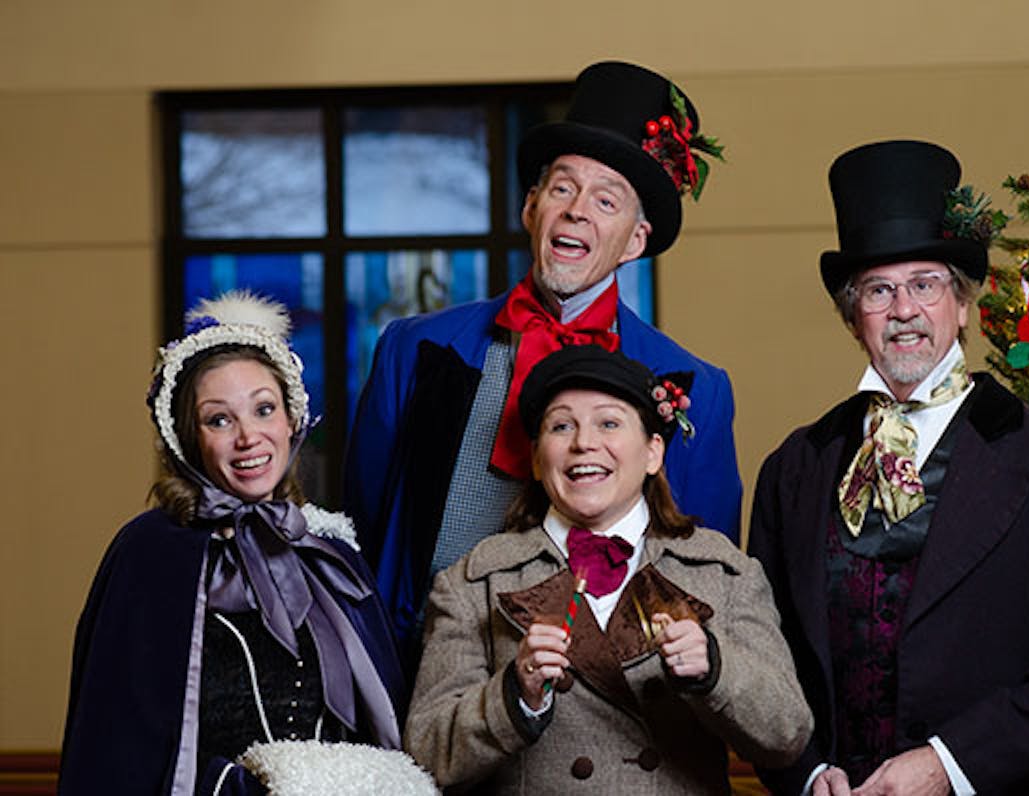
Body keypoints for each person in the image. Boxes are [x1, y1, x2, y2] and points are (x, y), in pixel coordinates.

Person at [747, 140, 1029, 795]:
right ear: (853, 319)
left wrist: (949, 766)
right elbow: (761, 651)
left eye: (924, 285)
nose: (903, 310)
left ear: (961, 307)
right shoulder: (794, 468)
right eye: (878, 290)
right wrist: (806, 772)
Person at [344, 60, 741, 694]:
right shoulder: (413, 350)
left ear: (635, 239)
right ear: (532, 208)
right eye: (562, 189)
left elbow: (702, 575)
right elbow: (365, 529)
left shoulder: (694, 385)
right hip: (424, 686)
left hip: (607, 712)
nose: (578, 212)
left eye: (605, 201)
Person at [59, 292, 433, 795]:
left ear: (291, 420)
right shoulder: (148, 554)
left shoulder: (330, 552)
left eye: (263, 410)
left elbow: (381, 721)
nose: (249, 436)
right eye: (219, 419)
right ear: (188, 439)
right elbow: (121, 745)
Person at [403, 345, 811, 794]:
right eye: (561, 426)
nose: (583, 442)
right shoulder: (472, 584)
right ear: (538, 461)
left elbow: (787, 736)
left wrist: (715, 668)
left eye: (609, 423)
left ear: (653, 452)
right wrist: (514, 696)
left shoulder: (725, 573)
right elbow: (426, 755)